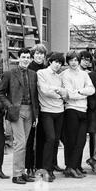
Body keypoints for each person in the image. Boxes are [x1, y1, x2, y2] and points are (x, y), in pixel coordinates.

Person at [0, 49, 40, 184]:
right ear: (19, 58)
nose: (26, 59)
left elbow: (35, 95)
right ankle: (16, 175)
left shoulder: (33, 74)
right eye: (23, 57)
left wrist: (36, 114)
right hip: (16, 111)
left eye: (28, 57)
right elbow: (0, 93)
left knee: (25, 143)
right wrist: (9, 106)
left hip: (30, 111)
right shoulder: (9, 74)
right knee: (20, 143)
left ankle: (22, 172)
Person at [60, 51, 95, 178]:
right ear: (68, 62)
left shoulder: (84, 74)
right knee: (72, 141)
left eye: (76, 60)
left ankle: (73, 166)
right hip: (71, 110)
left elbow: (92, 90)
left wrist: (79, 91)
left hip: (83, 110)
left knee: (81, 141)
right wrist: (82, 93)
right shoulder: (65, 75)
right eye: (71, 60)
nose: (74, 62)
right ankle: (71, 167)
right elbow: (69, 94)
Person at [37, 52, 68, 182]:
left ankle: (52, 167)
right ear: (50, 61)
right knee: (50, 138)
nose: (58, 65)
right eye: (56, 62)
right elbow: (44, 91)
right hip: (46, 111)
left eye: (60, 63)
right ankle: (45, 170)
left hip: (59, 111)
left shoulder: (59, 77)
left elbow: (66, 92)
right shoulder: (41, 73)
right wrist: (59, 92)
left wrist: (59, 92)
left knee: (56, 141)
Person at [25, 44, 48, 177]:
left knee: (42, 138)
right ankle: (29, 166)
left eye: (42, 54)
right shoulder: (29, 69)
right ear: (33, 55)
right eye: (37, 54)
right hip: (33, 108)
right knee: (30, 138)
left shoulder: (45, 69)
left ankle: (39, 165)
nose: (39, 56)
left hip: (45, 107)